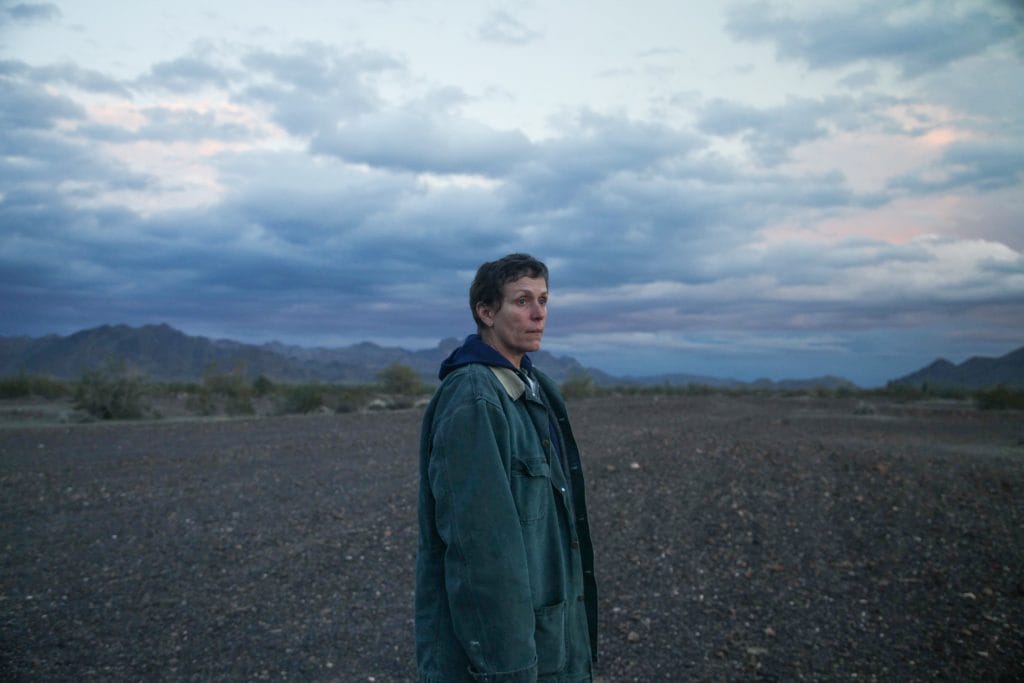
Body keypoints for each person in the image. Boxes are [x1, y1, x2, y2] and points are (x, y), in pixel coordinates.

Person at [415, 253, 598, 682]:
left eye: (544, 299)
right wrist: (510, 669)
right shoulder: (474, 398)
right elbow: (480, 551)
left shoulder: (537, 388)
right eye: (522, 301)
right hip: (508, 659)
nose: (539, 314)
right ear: (485, 311)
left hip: (549, 644)